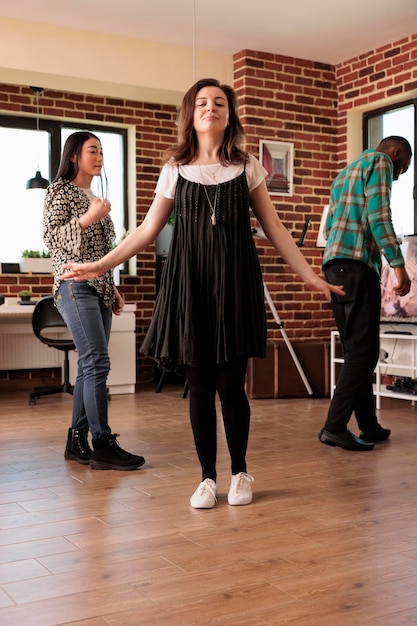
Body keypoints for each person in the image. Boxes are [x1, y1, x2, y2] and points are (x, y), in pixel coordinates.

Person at [60, 78, 344, 508]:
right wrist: (102, 265)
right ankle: (208, 478)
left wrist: (308, 274)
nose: (210, 108)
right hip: (189, 286)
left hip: (234, 285)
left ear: (228, 115)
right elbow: (147, 229)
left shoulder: (247, 166)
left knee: (231, 384)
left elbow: (276, 229)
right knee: (199, 382)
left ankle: (241, 472)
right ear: (190, 115)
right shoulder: (175, 167)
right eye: (202, 103)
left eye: (219, 103)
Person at [43, 131, 145, 471]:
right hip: (73, 285)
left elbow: (103, 252)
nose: (99, 156)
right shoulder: (60, 190)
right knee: (97, 361)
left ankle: (77, 440)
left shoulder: (96, 195)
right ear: (74, 156)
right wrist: (91, 217)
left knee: (90, 365)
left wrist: (112, 287)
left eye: (101, 151)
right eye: (92, 150)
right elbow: (52, 238)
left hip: (99, 287)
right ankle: (102, 443)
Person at [319, 136, 412, 452]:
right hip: (358, 265)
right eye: (403, 168)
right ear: (396, 153)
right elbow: (379, 215)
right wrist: (398, 265)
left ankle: (368, 426)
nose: (397, 175)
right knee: (364, 352)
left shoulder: (344, 174)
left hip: (334, 265)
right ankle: (334, 426)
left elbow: (330, 225)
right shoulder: (381, 162)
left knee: (355, 349)